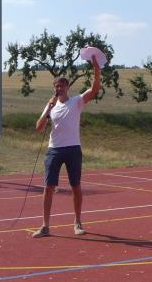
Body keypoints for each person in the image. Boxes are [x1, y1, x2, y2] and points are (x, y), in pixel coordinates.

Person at [32, 55, 101, 238]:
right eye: (56, 86)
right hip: (54, 149)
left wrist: (96, 68)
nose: (59, 88)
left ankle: (77, 222)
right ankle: (45, 226)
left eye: (62, 85)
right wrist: (48, 109)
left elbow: (94, 89)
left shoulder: (76, 101)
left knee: (75, 185)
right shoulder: (51, 105)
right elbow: (39, 128)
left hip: (73, 148)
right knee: (49, 186)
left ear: (67, 87)